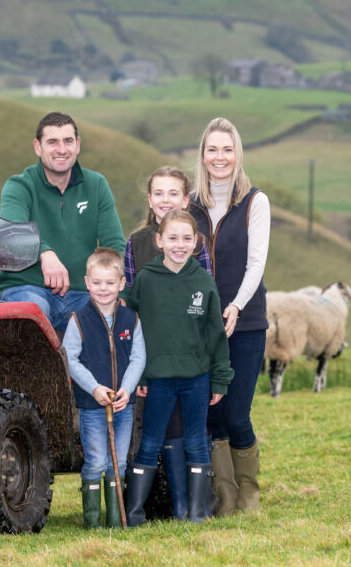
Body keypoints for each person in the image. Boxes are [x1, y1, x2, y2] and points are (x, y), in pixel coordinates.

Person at [123, 209, 233, 525]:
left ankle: (198, 513)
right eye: (173, 238)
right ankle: (135, 514)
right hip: (158, 378)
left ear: (197, 243)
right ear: (160, 241)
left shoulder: (203, 281)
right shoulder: (145, 279)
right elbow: (134, 330)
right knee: (151, 441)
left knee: (197, 440)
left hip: (196, 377)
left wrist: (219, 380)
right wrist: (140, 374)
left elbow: (215, 333)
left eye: (187, 238)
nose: (179, 245)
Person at [188, 117, 270, 516]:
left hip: (247, 321)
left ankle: (250, 495)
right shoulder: (190, 205)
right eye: (212, 149)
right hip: (202, 325)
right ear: (202, 156)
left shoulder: (255, 201)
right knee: (212, 414)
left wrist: (235, 305)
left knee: (237, 412)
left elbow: (257, 264)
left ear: (237, 155)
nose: (219, 157)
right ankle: (226, 498)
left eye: (227, 149)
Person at [0, 112, 126, 331]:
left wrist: (121, 292)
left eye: (68, 141)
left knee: (112, 317)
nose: (62, 149)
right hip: (29, 288)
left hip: (82, 293)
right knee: (32, 312)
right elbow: (13, 231)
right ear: (38, 147)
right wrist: (45, 253)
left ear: (78, 145)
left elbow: (114, 244)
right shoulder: (19, 186)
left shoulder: (96, 185)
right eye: (52, 142)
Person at [64, 248, 146, 529]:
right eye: (97, 283)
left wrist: (127, 389)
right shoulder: (78, 319)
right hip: (92, 405)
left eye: (110, 283)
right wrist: (94, 388)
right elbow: (70, 358)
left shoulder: (130, 319)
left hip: (123, 405)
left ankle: (115, 521)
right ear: (87, 282)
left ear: (122, 284)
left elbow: (138, 357)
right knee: (96, 461)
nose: (103, 289)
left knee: (118, 463)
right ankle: (92, 523)